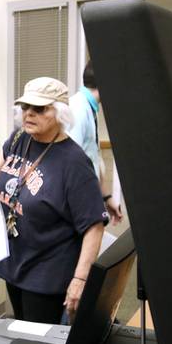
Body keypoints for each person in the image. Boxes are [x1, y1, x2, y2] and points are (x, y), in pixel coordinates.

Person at [0, 77, 108, 324]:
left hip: (47, 271)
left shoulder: (73, 163)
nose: (29, 114)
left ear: (60, 113)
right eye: (25, 108)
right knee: (20, 326)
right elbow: (5, 155)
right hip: (16, 261)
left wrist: (80, 279)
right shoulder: (21, 137)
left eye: (39, 109)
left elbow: (94, 225)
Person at [67, 61, 122, 223]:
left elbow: (93, 160)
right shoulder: (78, 108)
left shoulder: (89, 108)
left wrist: (106, 197)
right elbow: (71, 163)